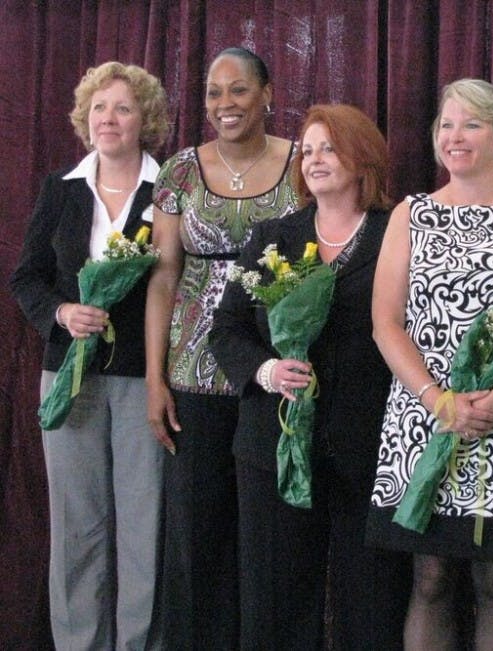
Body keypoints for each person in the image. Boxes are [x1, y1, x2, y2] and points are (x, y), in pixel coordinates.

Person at [208, 104, 412, 650]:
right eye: (309, 150)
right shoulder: (272, 236)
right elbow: (226, 329)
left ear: (362, 157)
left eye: (330, 148)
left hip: (368, 449)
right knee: (275, 603)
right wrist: (268, 370)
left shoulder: (397, 233)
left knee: (371, 602)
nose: (315, 159)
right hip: (273, 448)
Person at [368, 78, 493, 650]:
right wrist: (437, 398)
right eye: (446, 124)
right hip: (425, 419)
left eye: (471, 124)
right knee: (430, 579)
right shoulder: (411, 214)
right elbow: (386, 323)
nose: (455, 136)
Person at [10, 61, 169, 650]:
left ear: (144, 119)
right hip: (67, 379)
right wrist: (61, 312)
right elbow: (26, 278)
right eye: (100, 108)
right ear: (85, 117)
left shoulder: (169, 190)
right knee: (77, 529)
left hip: (142, 381)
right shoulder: (61, 188)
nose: (109, 118)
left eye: (123, 108)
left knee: (143, 528)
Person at [144, 46, 297, 649]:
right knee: (197, 534)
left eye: (238, 89)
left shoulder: (301, 162)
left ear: (267, 95)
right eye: (213, 92)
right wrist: (155, 378)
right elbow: (163, 276)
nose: (224, 103)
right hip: (193, 374)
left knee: (272, 537)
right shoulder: (180, 171)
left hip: (272, 372)